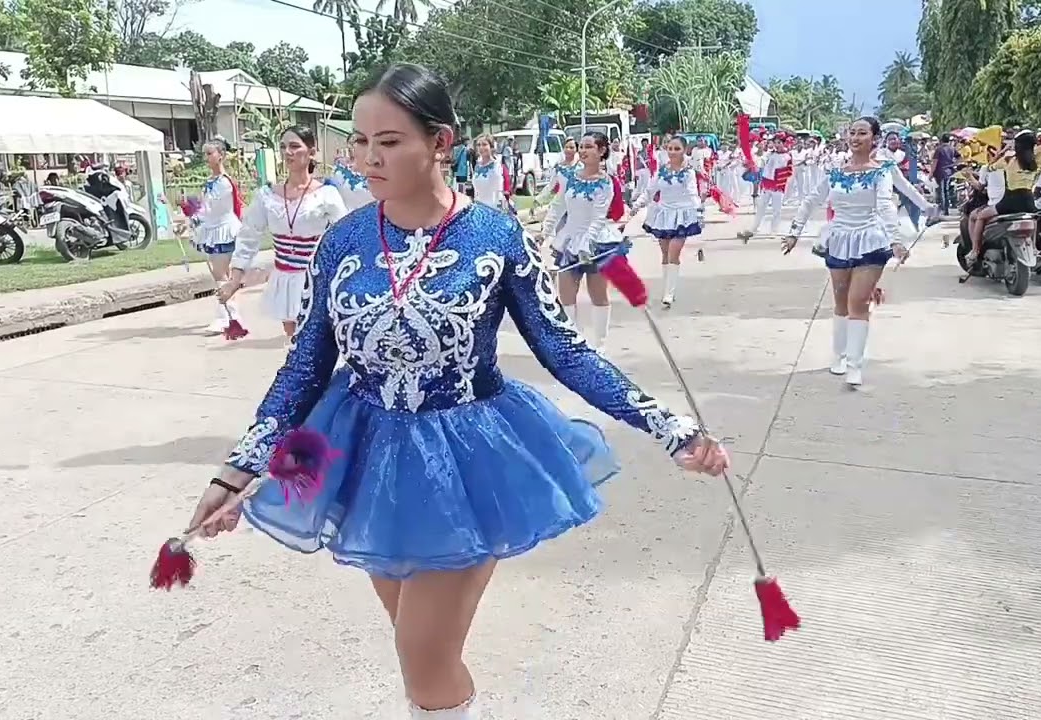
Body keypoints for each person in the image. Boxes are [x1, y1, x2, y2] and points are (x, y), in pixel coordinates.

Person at [184, 63, 728, 720]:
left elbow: (565, 352)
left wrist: (670, 426)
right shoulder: (344, 241)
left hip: (466, 464)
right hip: (366, 460)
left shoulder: (494, 236)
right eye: (359, 142)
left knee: (424, 659)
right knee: (418, 651)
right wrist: (241, 467)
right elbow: (304, 370)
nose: (366, 158)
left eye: (388, 141)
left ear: (439, 142)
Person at [780, 116, 935, 388]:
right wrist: (794, 232)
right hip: (839, 237)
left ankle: (855, 364)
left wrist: (898, 238)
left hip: (871, 238)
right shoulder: (835, 170)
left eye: (862, 133)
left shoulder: (883, 170)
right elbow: (811, 200)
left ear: (874, 138)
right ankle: (838, 356)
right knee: (840, 299)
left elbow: (889, 201)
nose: (855, 138)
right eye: (852, 133)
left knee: (858, 301)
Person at [220, 126, 348, 341]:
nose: (288, 152)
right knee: (293, 339)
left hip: (316, 279)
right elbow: (249, 236)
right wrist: (234, 280)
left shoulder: (326, 194)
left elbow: (344, 236)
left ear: (311, 151)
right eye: (283, 147)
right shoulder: (267, 196)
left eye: (295, 146)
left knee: (316, 340)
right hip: (285, 278)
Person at [540, 131, 629, 354]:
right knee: (565, 294)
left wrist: (586, 245)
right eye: (581, 146)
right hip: (569, 239)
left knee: (597, 294)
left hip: (596, 241)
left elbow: (599, 217)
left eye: (589, 147)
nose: (583, 151)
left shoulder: (606, 183)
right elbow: (558, 206)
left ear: (601, 151)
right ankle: (574, 341)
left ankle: (600, 343)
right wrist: (545, 233)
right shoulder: (570, 177)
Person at [631, 135, 703, 308]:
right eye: (670, 148)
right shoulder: (661, 170)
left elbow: (693, 193)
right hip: (663, 214)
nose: (672, 152)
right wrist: (637, 205)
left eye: (677, 149)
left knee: (673, 252)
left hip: (682, 215)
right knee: (664, 253)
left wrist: (699, 212)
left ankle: (669, 294)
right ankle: (668, 288)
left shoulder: (688, 172)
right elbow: (650, 191)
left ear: (684, 151)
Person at [191, 139, 246, 334]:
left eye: (210, 154)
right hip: (213, 229)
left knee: (220, 274)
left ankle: (226, 316)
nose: (206, 158)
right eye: (205, 154)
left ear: (220, 155)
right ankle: (231, 314)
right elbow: (204, 208)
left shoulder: (223, 183)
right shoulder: (211, 182)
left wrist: (192, 216)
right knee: (223, 274)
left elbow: (211, 209)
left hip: (224, 230)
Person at [967, 132, 1040, 265]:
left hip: (1011, 200)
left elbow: (990, 167)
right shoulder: (1036, 161)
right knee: (1033, 219)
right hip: (1029, 200)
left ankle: (975, 251)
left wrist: (1001, 153)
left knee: (981, 216)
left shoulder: (1009, 159)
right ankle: (1034, 249)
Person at [738, 133, 793, 240]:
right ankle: (754, 228)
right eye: (775, 142)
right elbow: (760, 162)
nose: (776, 145)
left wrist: (780, 181)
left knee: (776, 210)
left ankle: (774, 230)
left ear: (783, 143)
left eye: (779, 143)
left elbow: (788, 172)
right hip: (766, 185)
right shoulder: (769, 154)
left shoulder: (787, 156)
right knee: (761, 208)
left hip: (778, 186)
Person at [470, 133, 513, 212]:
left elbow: (507, 189)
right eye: (479, 145)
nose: (481, 147)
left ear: (492, 147)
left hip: (497, 209)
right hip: (479, 209)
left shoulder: (499, 165)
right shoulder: (476, 166)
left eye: (484, 144)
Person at [933, 134, 958, 216]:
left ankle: (944, 209)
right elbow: (960, 158)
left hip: (940, 172)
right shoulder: (952, 149)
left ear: (941, 140)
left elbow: (935, 162)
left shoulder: (939, 149)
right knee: (947, 190)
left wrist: (930, 174)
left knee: (942, 191)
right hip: (950, 172)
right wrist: (954, 164)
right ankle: (947, 208)